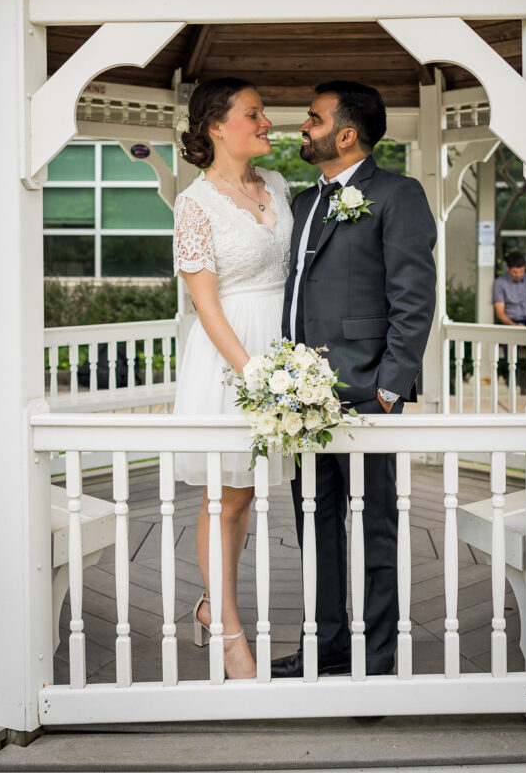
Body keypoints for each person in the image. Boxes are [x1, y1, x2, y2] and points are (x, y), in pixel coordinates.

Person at [271, 81, 437, 679]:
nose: (302, 128)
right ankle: (327, 644)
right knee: (314, 527)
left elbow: (414, 299)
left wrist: (390, 388)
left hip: (368, 394)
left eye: (311, 118)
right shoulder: (301, 202)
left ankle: (378, 657)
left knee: (375, 531)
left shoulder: (398, 195)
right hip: (299, 400)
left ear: (345, 134)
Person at [173, 77, 293, 679]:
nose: (267, 122)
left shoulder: (277, 184)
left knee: (247, 494)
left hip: (283, 349)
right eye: (255, 113)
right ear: (217, 126)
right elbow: (206, 305)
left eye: (264, 111)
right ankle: (227, 632)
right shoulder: (194, 204)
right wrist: (255, 374)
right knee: (224, 495)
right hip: (231, 357)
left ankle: (208, 607)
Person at [493, 251, 526, 328]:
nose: (519, 275)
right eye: (515, 272)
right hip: (511, 322)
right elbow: (500, 312)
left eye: (521, 271)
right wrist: (514, 325)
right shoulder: (500, 283)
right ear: (508, 268)